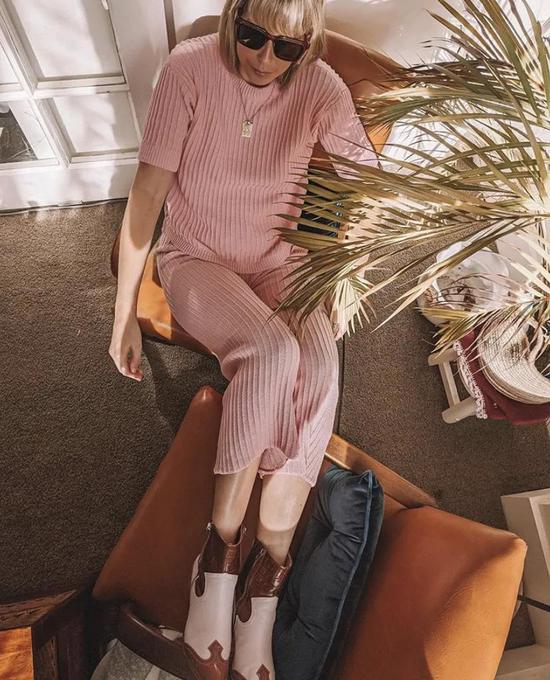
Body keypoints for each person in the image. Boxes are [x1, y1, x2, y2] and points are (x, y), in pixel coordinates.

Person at [108, 0, 377, 678]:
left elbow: (370, 182)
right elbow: (148, 193)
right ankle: (217, 566)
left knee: (319, 371)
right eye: (253, 36)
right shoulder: (188, 70)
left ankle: (264, 590)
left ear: (307, 44)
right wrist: (122, 314)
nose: (264, 59)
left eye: (286, 47)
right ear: (233, 17)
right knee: (272, 352)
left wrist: (356, 258)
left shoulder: (319, 87)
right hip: (196, 258)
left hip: (280, 262)